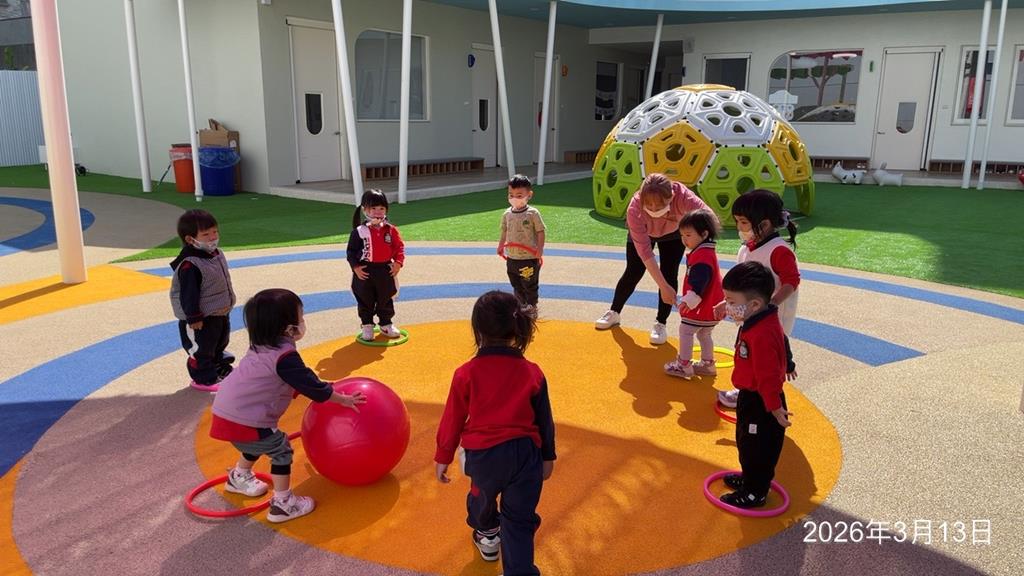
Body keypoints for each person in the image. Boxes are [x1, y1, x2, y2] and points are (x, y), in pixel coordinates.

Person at [210, 288, 367, 523]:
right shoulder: (284, 358)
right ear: (288, 328)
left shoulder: (260, 347)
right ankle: (283, 504)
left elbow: (283, 380)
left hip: (227, 412)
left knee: (258, 442)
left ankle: (238, 477)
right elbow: (309, 385)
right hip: (244, 418)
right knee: (280, 449)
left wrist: (323, 387)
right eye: (300, 317)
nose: (303, 322)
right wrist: (342, 399)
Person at [435, 290, 556, 575]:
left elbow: (453, 417)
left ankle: (488, 534)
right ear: (518, 328)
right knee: (519, 519)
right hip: (526, 455)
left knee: (481, 499)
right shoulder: (532, 372)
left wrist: (443, 455)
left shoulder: (466, 373)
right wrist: (547, 456)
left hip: (485, 457)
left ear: (478, 330)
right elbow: (545, 420)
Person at [594, 173, 712, 345]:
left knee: (669, 274)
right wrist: (662, 287)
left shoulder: (683, 196)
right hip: (643, 233)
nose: (654, 209)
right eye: (649, 204)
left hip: (673, 234)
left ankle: (660, 323)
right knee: (633, 272)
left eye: (660, 204)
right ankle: (614, 311)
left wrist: (702, 245)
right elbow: (645, 253)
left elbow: (709, 218)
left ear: (671, 196)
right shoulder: (635, 208)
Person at [718, 261, 793, 508]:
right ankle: (749, 478)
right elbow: (783, 342)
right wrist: (789, 363)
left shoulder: (761, 333)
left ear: (754, 304)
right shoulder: (759, 319)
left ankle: (755, 492)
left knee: (758, 448)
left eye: (731, 301)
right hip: (751, 396)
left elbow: (768, 375)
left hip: (762, 401)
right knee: (746, 442)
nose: (727, 306)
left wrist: (774, 407)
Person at [715, 190, 800, 408]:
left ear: (764, 224)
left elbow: (791, 281)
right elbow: (740, 285)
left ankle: (768, 398)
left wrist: (771, 305)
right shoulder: (746, 248)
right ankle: (746, 391)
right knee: (745, 352)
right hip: (750, 315)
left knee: (765, 358)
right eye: (737, 221)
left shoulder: (779, 251)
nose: (739, 227)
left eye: (743, 222)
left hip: (771, 318)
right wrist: (728, 302)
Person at [169, 209, 236, 387]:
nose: (213, 237)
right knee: (201, 349)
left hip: (219, 311)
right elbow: (188, 293)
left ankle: (219, 367)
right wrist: (193, 317)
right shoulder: (190, 264)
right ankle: (204, 378)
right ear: (190, 239)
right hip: (200, 318)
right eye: (206, 234)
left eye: (215, 232)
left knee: (219, 343)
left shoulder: (216, 254)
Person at [664, 208, 723, 379]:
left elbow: (699, 284)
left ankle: (683, 365)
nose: (684, 240)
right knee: (704, 333)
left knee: (686, 330)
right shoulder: (707, 252)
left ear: (704, 234)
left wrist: (688, 301)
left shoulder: (702, 256)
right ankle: (707, 364)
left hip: (701, 307)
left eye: (688, 235)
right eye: (682, 235)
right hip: (712, 305)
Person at [347, 189, 405, 342]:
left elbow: (399, 247)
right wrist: (355, 267)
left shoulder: (391, 230)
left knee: (386, 297)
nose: (378, 211)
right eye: (373, 208)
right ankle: (367, 325)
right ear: (365, 210)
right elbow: (351, 252)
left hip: (385, 270)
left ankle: (386, 324)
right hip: (365, 271)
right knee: (365, 298)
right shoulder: (359, 232)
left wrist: (398, 263)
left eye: (381, 208)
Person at [498, 174, 546, 316]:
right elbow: (504, 231)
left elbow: (540, 231)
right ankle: (521, 305)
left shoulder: (532, 213)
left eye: (519, 195)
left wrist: (539, 249)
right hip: (512, 257)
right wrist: (501, 246)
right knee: (516, 283)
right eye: (511, 195)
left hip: (528, 257)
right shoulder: (507, 214)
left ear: (529, 195)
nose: (514, 198)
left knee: (529, 284)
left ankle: (531, 307)